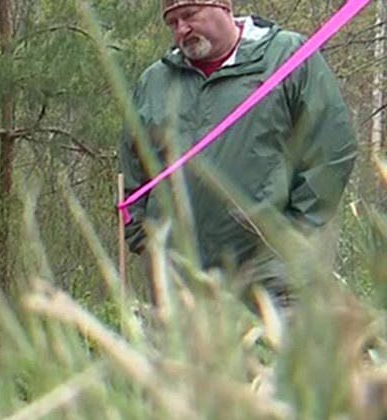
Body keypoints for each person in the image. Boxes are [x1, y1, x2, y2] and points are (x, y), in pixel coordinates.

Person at [121, 1, 357, 303]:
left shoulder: (287, 56)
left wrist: (298, 227)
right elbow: (133, 170)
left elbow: (332, 146)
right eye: (173, 22)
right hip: (179, 276)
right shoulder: (154, 82)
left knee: (275, 351)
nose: (182, 29)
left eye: (190, 15)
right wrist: (143, 239)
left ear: (223, 6)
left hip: (271, 271)